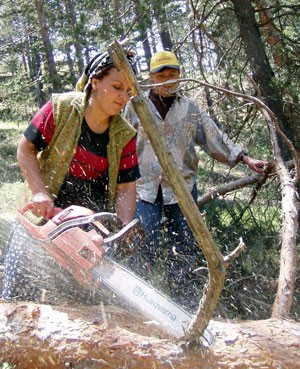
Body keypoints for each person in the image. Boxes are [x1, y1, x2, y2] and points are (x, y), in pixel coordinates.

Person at [124, 50, 267, 312]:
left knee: (184, 247)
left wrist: (245, 158)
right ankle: (136, 303)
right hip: (144, 187)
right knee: (142, 244)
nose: (168, 80)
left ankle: (184, 306)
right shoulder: (135, 106)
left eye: (173, 74)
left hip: (182, 188)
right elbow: (119, 141)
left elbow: (215, 137)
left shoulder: (189, 108)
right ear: (151, 77)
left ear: (179, 76)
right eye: (162, 75)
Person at [1, 50, 140, 303]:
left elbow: (126, 187)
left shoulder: (125, 134)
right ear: (95, 82)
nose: (123, 97)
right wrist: (39, 192)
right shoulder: (61, 108)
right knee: (16, 296)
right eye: (117, 87)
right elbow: (25, 148)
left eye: (128, 91)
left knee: (79, 307)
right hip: (44, 213)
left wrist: (122, 225)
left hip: (88, 228)